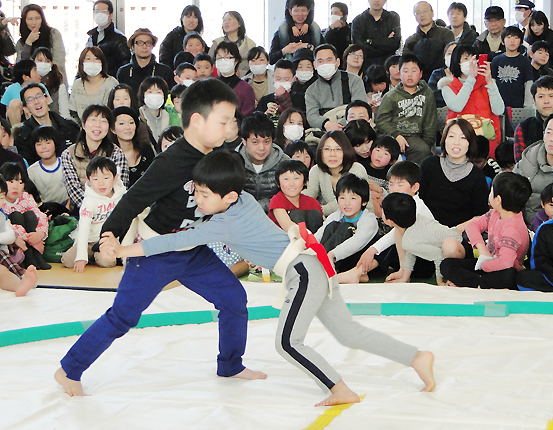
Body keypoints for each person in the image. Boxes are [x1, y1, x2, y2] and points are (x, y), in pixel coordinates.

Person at [99, 149, 435, 406]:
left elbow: (171, 242)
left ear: (228, 196)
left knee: (287, 342)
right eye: (196, 192)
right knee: (349, 332)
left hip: (303, 271)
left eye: (204, 195)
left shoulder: (222, 223)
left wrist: (123, 250)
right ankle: (417, 357)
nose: (197, 201)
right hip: (311, 265)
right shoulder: (244, 200)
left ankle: (339, 388)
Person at [53, 80, 267, 398]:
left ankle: (231, 364)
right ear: (197, 121)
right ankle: (69, 369)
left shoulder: (219, 157)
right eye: (223, 122)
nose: (229, 128)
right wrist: (108, 237)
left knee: (234, 300)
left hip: (194, 249)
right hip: (154, 252)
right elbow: (133, 199)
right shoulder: (171, 162)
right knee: (124, 315)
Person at [441, 171, 532, 290]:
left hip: (502, 270)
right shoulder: (495, 213)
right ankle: (479, 283)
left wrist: (483, 265)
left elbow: (505, 263)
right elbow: (472, 225)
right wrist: (482, 249)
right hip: (487, 262)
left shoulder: (513, 228)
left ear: (498, 199)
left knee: (510, 275)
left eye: (491, 191)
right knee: (447, 265)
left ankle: (475, 283)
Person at [418, 118, 489, 229]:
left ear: (470, 143)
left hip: (460, 233)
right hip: (427, 228)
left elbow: (480, 216)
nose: (456, 142)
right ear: (444, 139)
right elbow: (419, 200)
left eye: (463, 138)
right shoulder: (429, 165)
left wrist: (456, 231)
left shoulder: (477, 176)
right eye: (451, 136)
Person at [379, 192, 462, 285]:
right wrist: (404, 278)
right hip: (458, 242)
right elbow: (411, 252)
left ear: (390, 222)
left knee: (448, 251)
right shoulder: (417, 219)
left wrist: (440, 281)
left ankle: (453, 278)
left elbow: (438, 256)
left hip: (459, 250)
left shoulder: (408, 240)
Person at [440, 44, 504, 158]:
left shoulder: (486, 83)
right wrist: (471, 79)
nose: (470, 63)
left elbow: (499, 110)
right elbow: (457, 106)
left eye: (473, 59)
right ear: (456, 62)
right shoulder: (447, 85)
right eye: (466, 58)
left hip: (485, 137)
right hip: (458, 137)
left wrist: (490, 81)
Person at [61, 156, 123, 272]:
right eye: (95, 179)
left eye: (106, 178)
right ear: (88, 180)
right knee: (68, 261)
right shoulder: (89, 201)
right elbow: (84, 228)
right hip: (89, 241)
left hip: (107, 241)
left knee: (108, 262)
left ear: (115, 178)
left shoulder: (121, 196)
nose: (101, 183)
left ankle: (95, 256)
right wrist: (81, 256)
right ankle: (89, 255)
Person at [61, 105, 129, 209]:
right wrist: (92, 209)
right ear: (83, 125)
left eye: (103, 121)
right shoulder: (68, 154)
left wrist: (106, 210)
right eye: (93, 120)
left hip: (112, 209)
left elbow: (120, 186)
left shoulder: (117, 153)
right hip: (81, 210)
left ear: (109, 127)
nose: (98, 125)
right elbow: (74, 190)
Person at [376, 54, 437, 165]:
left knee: (422, 150)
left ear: (421, 74)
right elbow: (381, 120)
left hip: (415, 137)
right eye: (405, 71)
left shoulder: (428, 93)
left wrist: (427, 144)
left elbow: (430, 122)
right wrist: (396, 135)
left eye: (414, 71)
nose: (409, 74)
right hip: (392, 135)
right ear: (399, 73)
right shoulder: (390, 96)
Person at [314, 173, 378, 274]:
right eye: (342, 198)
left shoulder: (369, 219)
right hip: (333, 258)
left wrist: (332, 254)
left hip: (356, 258)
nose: (347, 203)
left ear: (364, 202)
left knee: (346, 228)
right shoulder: (336, 216)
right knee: (332, 226)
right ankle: (319, 261)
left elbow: (356, 242)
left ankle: (322, 263)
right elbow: (319, 235)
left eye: (353, 198)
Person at [303, 130, 371, 216]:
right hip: (328, 219)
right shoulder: (316, 170)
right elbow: (310, 193)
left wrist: (317, 210)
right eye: (327, 149)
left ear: (346, 151)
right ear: (321, 152)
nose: (332, 154)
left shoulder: (356, 169)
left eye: (338, 149)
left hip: (357, 218)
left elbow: (346, 203)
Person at [305, 44, 367, 132]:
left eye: (329, 60)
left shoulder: (354, 80)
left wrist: (340, 125)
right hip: (325, 130)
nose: (325, 64)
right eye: (320, 61)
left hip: (352, 127)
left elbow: (361, 106)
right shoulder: (311, 90)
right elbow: (312, 116)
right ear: (314, 65)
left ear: (337, 62)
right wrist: (326, 124)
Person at [15, 83, 80, 166]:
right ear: (25, 109)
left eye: (39, 96)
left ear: (48, 99)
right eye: (30, 99)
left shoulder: (70, 127)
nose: (36, 102)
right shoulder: (23, 136)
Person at [1, 162, 50, 270]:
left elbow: (40, 215)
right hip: (14, 242)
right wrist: (25, 237)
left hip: (29, 236)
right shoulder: (1, 201)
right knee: (16, 216)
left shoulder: (26, 197)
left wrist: (39, 234)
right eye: (11, 181)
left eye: (20, 182)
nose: (16, 186)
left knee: (30, 215)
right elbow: (5, 225)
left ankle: (35, 254)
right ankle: (30, 256)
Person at [237, 112, 289, 212]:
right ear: (244, 141)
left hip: (275, 213)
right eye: (255, 142)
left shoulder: (284, 162)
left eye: (266, 141)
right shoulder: (234, 163)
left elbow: (289, 195)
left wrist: (259, 207)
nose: (261, 148)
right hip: (241, 214)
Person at [0, 175, 38, 297]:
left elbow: (11, 235)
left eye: (1, 197)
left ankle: (20, 284)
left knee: (2, 271)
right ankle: (20, 277)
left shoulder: (1, 215)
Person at [16, 4, 67, 84]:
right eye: (30, 19)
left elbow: (59, 61)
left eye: (37, 18)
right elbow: (21, 67)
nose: (34, 22)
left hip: (54, 82)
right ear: (24, 21)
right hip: (32, 84)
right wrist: (28, 43)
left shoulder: (53, 34)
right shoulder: (21, 42)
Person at [403, 1, 455, 79]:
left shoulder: (446, 34)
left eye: (425, 11)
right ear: (415, 17)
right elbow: (406, 63)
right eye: (418, 12)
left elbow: (451, 57)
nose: (422, 15)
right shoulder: (411, 40)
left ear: (432, 13)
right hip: (418, 80)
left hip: (443, 78)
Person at [269, 159, 322, 232]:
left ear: (305, 181)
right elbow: (288, 226)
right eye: (286, 179)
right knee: (296, 214)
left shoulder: (312, 201)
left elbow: (324, 224)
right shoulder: (277, 200)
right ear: (278, 183)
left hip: (313, 237)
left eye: (296, 178)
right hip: (287, 236)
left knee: (314, 214)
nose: (291, 184)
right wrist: (307, 236)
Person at [69, 47, 119, 123]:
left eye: (96, 59)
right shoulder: (77, 84)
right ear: (82, 63)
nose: (92, 62)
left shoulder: (111, 83)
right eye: (88, 59)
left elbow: (113, 112)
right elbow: (73, 113)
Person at [117, 28, 174, 94]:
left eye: (148, 43)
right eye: (139, 43)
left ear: (152, 46)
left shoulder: (165, 71)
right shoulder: (123, 72)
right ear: (132, 46)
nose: (144, 46)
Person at [490, 27, 534, 109]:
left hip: (519, 105)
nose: (512, 41)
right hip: (498, 105)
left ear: (521, 41)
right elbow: (492, 83)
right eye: (509, 37)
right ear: (502, 41)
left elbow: (528, 84)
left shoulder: (525, 61)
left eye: (516, 38)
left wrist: (527, 106)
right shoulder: (496, 60)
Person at [111, 106, 154, 187]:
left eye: (131, 123)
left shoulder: (146, 150)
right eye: (121, 123)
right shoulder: (109, 155)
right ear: (113, 129)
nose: (128, 127)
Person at [351, 0, 401, 69]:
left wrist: (370, 42)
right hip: (365, 67)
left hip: (388, 67)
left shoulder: (393, 18)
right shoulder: (358, 20)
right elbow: (359, 47)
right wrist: (385, 43)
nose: (377, 0)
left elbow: (395, 44)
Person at [270, 0, 322, 64]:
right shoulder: (281, 32)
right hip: (289, 69)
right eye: (296, 11)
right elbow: (271, 60)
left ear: (308, 11)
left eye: (303, 10)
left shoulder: (313, 32)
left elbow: (326, 52)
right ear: (290, 12)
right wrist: (284, 51)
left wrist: (309, 47)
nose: (300, 14)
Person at [27, 125, 69, 205]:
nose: (43, 147)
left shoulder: (66, 163)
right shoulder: (32, 171)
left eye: (48, 143)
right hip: (45, 208)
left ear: (55, 143)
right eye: (39, 144)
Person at [87, 0, 130, 77]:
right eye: (97, 11)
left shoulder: (119, 39)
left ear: (111, 15)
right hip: (92, 79)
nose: (99, 14)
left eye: (103, 11)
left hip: (110, 80)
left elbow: (125, 66)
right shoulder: (91, 37)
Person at [208, 11, 256, 78]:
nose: (226, 22)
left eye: (230, 19)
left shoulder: (250, 44)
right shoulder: (217, 43)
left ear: (239, 24)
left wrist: (241, 73)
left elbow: (255, 64)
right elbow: (208, 62)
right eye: (224, 20)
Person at [215, 41, 256, 116]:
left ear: (236, 60)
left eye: (227, 57)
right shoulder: (210, 86)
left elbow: (247, 117)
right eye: (219, 58)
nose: (223, 60)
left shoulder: (246, 89)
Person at [159, 5, 203, 70]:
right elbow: (164, 58)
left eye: (195, 17)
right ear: (182, 18)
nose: (191, 20)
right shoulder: (173, 36)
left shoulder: (199, 38)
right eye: (188, 17)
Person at [255, 59, 297, 126]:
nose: (282, 82)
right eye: (278, 79)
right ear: (273, 77)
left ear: (294, 79)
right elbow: (254, 123)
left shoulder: (300, 99)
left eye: (286, 79)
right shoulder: (265, 100)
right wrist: (266, 114)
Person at [1, 59, 42, 126]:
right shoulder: (12, 89)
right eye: (35, 70)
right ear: (25, 77)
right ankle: (17, 131)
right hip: (19, 120)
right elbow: (6, 112)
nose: (38, 73)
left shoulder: (41, 87)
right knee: (15, 103)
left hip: (38, 116)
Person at [138, 76, 170, 145]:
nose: (154, 95)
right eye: (150, 92)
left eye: (158, 92)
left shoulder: (167, 115)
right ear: (143, 94)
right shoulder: (139, 115)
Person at [428, 41, 456, 108]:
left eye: (455, 53)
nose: (452, 56)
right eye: (449, 53)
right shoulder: (436, 74)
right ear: (444, 56)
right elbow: (431, 95)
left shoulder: (465, 75)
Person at [291, 48, 317, 113]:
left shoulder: (318, 85)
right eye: (300, 67)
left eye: (308, 67)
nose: (304, 70)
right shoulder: (290, 86)